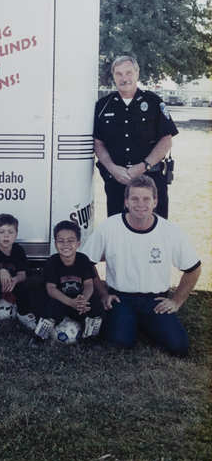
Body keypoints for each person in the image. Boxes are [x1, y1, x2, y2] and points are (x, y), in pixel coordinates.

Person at [82, 175, 201, 355]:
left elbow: (193, 269)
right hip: (121, 298)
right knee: (117, 344)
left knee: (177, 347)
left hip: (155, 299)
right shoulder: (108, 227)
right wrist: (103, 294)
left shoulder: (170, 231)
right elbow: (86, 264)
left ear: (155, 202)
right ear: (126, 202)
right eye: (134, 199)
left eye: (146, 199)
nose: (140, 204)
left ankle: (142, 321)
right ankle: (131, 320)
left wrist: (176, 301)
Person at [93, 55, 178, 218]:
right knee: (118, 230)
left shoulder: (153, 102)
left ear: (137, 74)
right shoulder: (103, 105)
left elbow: (166, 140)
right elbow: (99, 143)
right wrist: (112, 168)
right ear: (113, 77)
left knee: (155, 229)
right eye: (119, 74)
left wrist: (144, 165)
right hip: (116, 181)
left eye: (129, 72)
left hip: (151, 180)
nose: (124, 78)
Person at [28, 221, 103, 350]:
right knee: (53, 307)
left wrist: (83, 300)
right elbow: (51, 289)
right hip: (60, 300)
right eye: (61, 241)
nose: (66, 244)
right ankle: (38, 337)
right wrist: (70, 302)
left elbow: (89, 285)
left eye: (70, 240)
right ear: (56, 245)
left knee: (96, 305)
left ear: (78, 244)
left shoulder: (83, 260)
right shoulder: (52, 261)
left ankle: (91, 337)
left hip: (79, 302)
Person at [0, 214, 37, 332]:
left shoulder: (19, 250)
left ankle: (23, 314)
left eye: (10, 232)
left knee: (23, 288)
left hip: (12, 282)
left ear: (16, 235)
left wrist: (15, 281)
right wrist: (2, 272)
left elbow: (22, 274)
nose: (6, 235)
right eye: (1, 232)